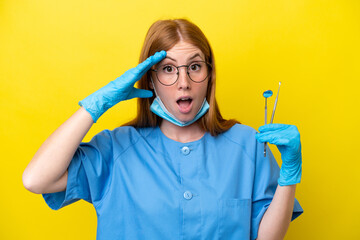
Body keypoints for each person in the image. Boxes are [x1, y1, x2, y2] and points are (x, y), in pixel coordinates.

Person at [22, 18, 303, 240]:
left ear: (209, 75)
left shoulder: (247, 145)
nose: (184, 82)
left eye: (194, 66)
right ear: (151, 80)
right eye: (168, 69)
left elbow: (267, 237)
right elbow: (36, 180)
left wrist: (288, 175)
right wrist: (94, 106)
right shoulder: (115, 149)